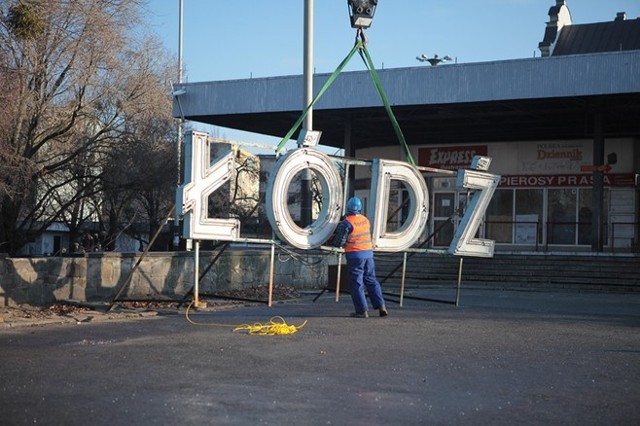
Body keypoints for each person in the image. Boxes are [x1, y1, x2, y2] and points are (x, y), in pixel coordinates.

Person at [330, 197, 388, 318]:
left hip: (355, 256)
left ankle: (362, 311)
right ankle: (381, 306)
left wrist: (333, 242)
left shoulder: (346, 223)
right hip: (368, 255)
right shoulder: (365, 220)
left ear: (348, 208)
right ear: (360, 208)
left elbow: (340, 241)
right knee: (371, 280)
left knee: (357, 283)